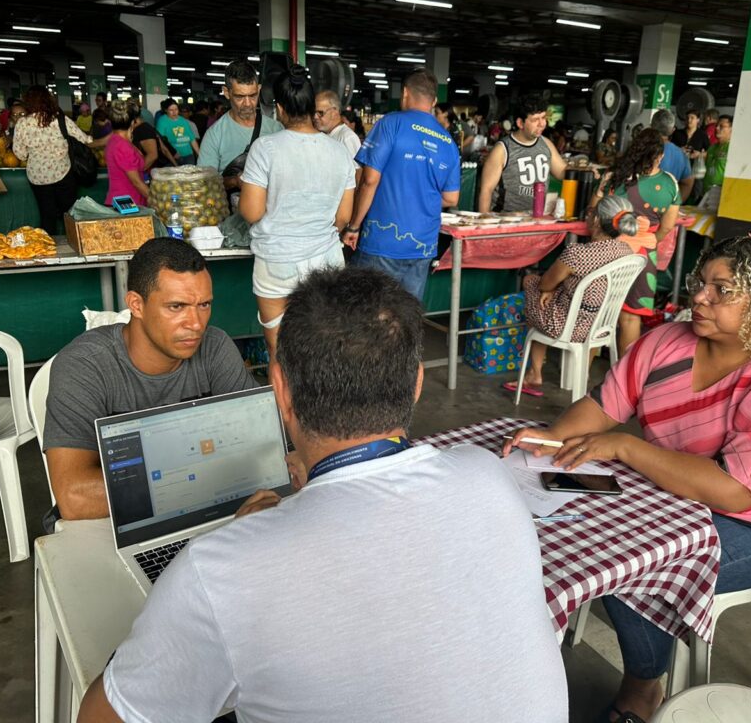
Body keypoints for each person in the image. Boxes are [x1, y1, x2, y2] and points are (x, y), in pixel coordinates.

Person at [78, 266, 569, 723]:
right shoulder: (488, 476)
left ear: (280, 391)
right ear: (416, 383)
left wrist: (239, 549)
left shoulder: (223, 571)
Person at [506, 235, 751, 723]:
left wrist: (628, 446)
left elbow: (733, 491)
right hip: (666, 497)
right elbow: (605, 405)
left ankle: (642, 688)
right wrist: (549, 441)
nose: (699, 297)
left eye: (723, 290)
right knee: (554, 522)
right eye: (702, 283)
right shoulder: (666, 342)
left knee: (623, 561)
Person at [43, 238, 259, 523]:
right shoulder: (84, 366)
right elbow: (75, 497)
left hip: (203, 513)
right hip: (109, 524)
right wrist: (204, 479)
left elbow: (260, 447)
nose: (196, 323)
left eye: (204, 304)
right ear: (136, 304)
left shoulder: (215, 347)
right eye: (176, 306)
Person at [240, 65, 355, 357]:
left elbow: (251, 212)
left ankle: (284, 404)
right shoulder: (339, 151)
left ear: (279, 108)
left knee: (280, 350)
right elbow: (342, 218)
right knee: (325, 348)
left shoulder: (265, 148)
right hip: (327, 261)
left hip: (278, 261)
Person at [343, 68, 460, 300]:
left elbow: (369, 180)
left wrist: (354, 226)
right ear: (434, 101)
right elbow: (451, 199)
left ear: (405, 93)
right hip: (423, 246)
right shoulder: (448, 142)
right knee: (405, 319)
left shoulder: (391, 124)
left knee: (366, 316)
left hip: (382, 243)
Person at [507, 195, 638, 396]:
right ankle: (542, 372)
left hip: (569, 327)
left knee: (531, 283)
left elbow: (545, 283)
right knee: (550, 294)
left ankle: (534, 373)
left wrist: (548, 289)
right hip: (602, 327)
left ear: (595, 220)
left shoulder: (577, 254)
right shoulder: (627, 252)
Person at [590, 128, 680, 355]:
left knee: (597, 314)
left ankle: (581, 375)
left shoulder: (613, 176)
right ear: (659, 156)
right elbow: (668, 226)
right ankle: (623, 377)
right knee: (630, 318)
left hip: (608, 250)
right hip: (643, 256)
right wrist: (649, 239)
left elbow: (594, 211)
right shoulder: (670, 184)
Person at [13, 85, 104, 233]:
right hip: (63, 173)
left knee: (46, 215)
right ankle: (75, 244)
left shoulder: (22, 123)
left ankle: (50, 247)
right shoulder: (59, 119)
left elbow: (20, 154)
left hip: (38, 177)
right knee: (69, 213)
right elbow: (84, 139)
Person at [476, 95, 575, 215]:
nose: (542, 124)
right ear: (520, 123)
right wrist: (485, 227)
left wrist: (584, 170)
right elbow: (486, 190)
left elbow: (562, 172)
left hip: (536, 218)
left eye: (543, 117)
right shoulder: (502, 150)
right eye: (535, 120)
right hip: (506, 220)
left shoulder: (546, 144)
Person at [197, 60, 283, 183]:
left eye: (252, 96)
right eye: (239, 97)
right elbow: (205, 183)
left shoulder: (276, 129)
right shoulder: (215, 135)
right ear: (227, 93)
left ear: (259, 90)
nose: (248, 104)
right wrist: (234, 181)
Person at [105, 100, 149, 207]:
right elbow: (136, 182)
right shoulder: (123, 146)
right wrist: (156, 200)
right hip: (127, 203)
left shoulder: (115, 140)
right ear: (133, 122)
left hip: (122, 200)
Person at [314, 89, 362, 184]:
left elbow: (358, 175)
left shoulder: (347, 138)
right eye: (314, 112)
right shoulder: (325, 135)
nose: (315, 117)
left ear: (334, 112)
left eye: (320, 113)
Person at [650, 109, 694, 203]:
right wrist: (675, 206)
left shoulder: (639, 148)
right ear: (672, 130)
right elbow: (687, 183)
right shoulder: (681, 155)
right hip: (665, 208)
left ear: (651, 126)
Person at [156, 99, 199, 165]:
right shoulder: (162, 121)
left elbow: (192, 140)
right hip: (172, 156)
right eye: (171, 110)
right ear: (166, 110)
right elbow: (161, 143)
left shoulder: (183, 121)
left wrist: (200, 155)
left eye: (176, 109)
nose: (174, 112)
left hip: (188, 155)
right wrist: (174, 161)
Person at [702, 114, 732, 209]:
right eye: (717, 126)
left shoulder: (732, 149)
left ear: (732, 129)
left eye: (722, 126)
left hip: (721, 196)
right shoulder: (712, 148)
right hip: (706, 195)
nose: (717, 128)